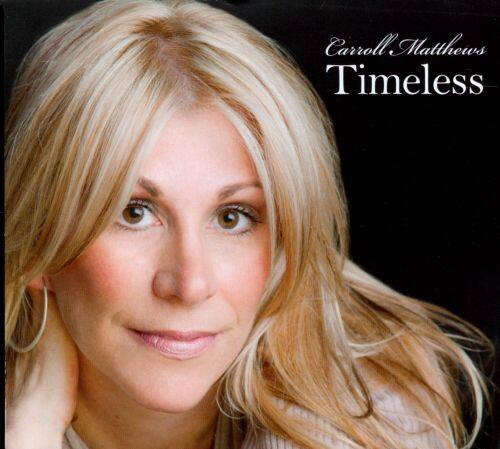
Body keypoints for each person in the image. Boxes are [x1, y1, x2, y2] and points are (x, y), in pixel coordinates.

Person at [4, 1, 492, 448]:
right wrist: (28, 427)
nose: (190, 284)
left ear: (283, 243)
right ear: (38, 241)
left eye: (232, 218)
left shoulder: (372, 423)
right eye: (134, 213)